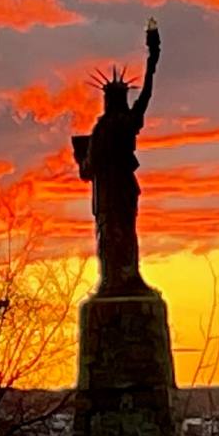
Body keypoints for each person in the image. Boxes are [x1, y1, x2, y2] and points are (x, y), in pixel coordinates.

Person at [73, 20, 159, 294]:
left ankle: (116, 279)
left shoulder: (105, 127)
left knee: (111, 233)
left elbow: (88, 169)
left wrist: (82, 158)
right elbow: (145, 97)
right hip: (119, 190)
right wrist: (153, 61)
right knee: (121, 232)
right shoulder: (122, 123)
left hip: (111, 191)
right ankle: (123, 276)